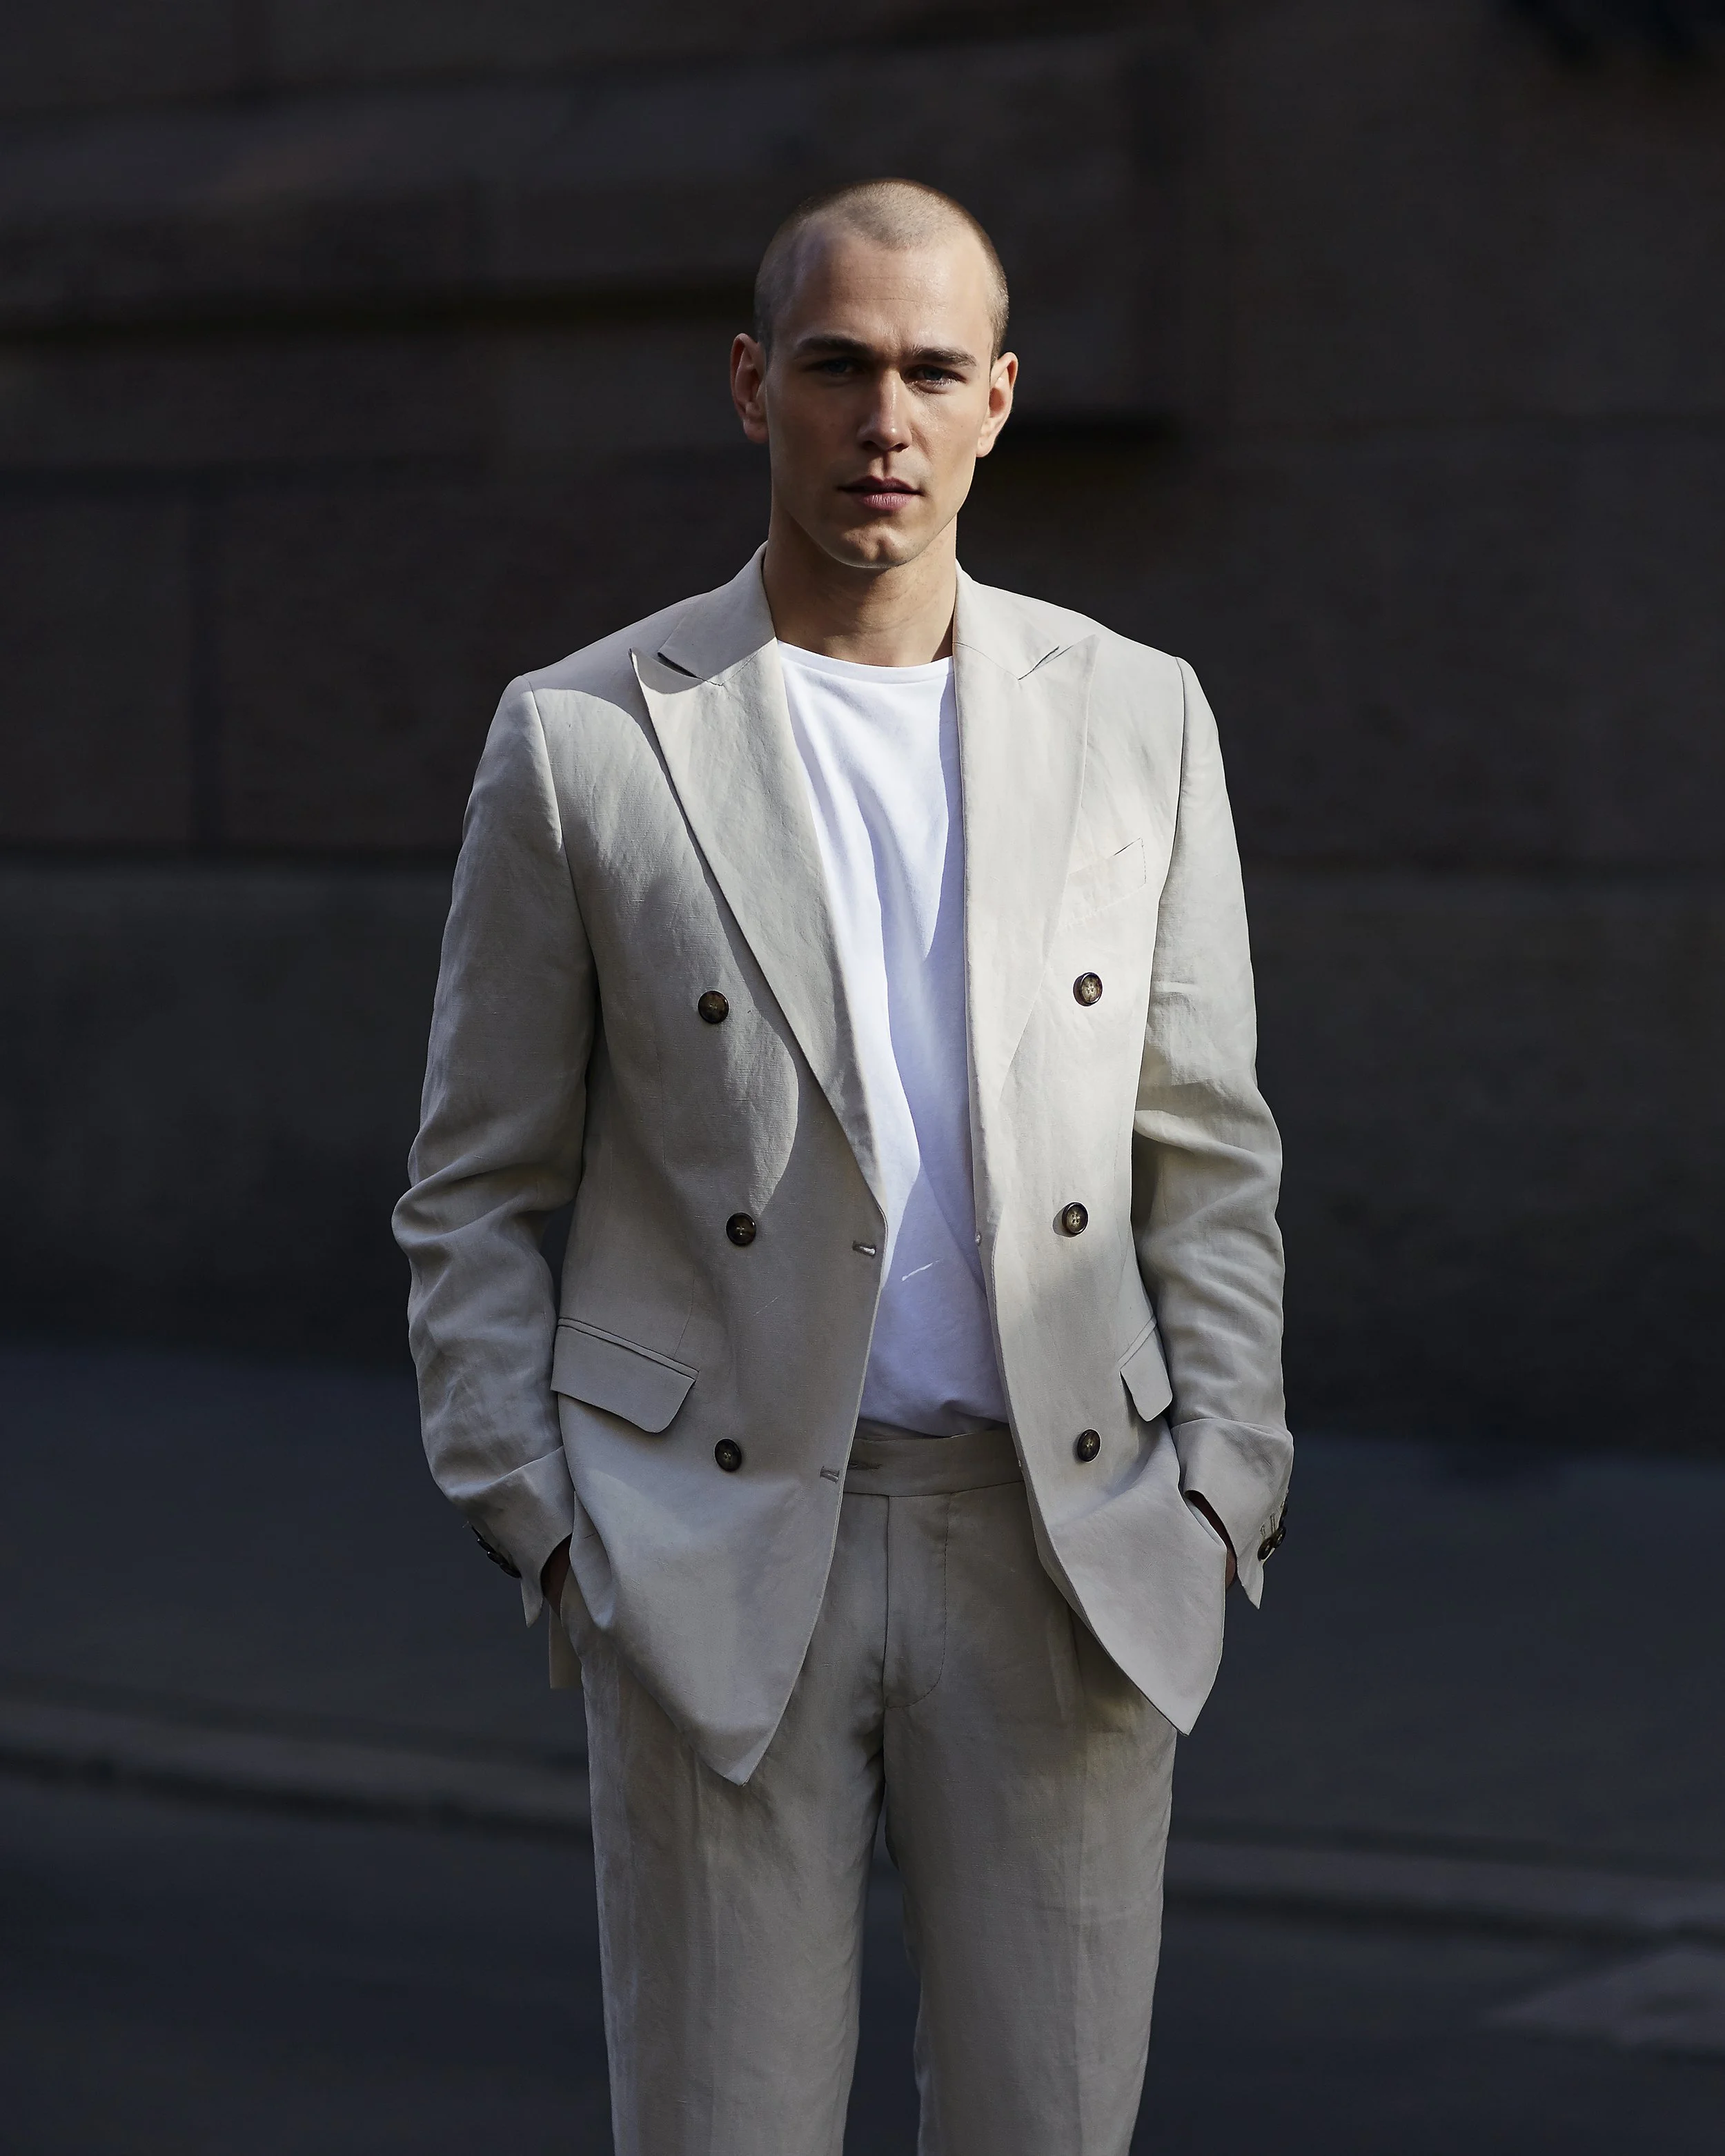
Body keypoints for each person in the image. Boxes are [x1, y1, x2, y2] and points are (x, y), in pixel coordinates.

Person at [393, 177, 1290, 2156]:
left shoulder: (1137, 717)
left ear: (996, 403)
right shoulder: (587, 737)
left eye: (929, 372)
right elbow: (472, 1181)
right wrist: (541, 1516)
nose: (883, 417)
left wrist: (1226, 1476)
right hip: (711, 1537)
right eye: (837, 366)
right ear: (752, 387)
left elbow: (1205, 1144)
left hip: (1061, 1540)